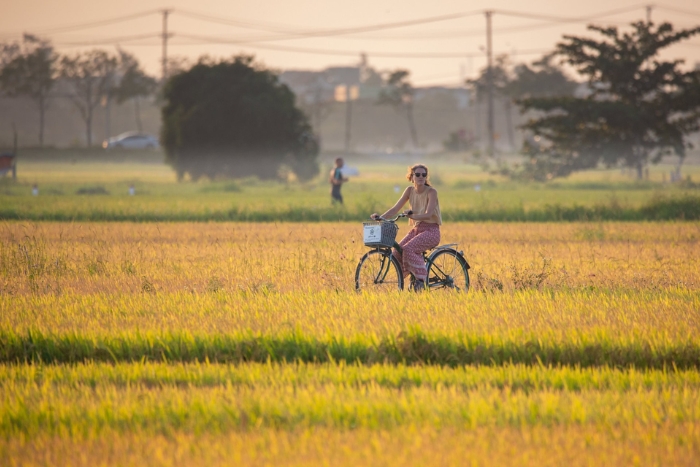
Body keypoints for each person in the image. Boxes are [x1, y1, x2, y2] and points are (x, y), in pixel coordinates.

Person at [371, 163, 442, 292]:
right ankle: (412, 276)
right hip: (417, 229)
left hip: (431, 231)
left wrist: (413, 215)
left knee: (408, 248)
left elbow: (428, 214)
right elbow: (395, 208)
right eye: (418, 174)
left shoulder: (432, 192)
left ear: (426, 177)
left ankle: (421, 279)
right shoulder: (409, 191)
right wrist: (381, 217)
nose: (421, 177)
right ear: (412, 177)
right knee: (397, 251)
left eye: (424, 175)